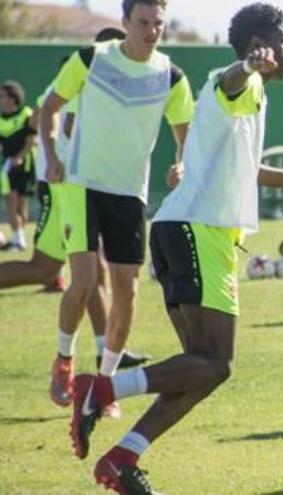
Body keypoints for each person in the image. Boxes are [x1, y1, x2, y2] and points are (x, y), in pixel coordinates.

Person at [68, 4, 283, 492]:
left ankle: (122, 458)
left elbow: (242, 168)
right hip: (196, 232)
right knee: (215, 363)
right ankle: (101, 387)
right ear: (260, 43)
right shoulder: (238, 81)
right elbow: (231, 78)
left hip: (187, 230)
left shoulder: (252, 97)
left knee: (203, 371)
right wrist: (250, 63)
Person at [40, 0, 194, 418]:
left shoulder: (171, 76)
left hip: (130, 192)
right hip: (80, 184)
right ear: (124, 23)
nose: (151, 30)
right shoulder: (91, 58)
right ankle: (64, 358)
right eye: (143, 22)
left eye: (158, 24)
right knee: (85, 280)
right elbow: (49, 108)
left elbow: (187, 136)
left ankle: (104, 385)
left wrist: (181, 162)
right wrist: (52, 155)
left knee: (128, 288)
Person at [0, 80, 37, 251]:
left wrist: (20, 157)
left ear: (13, 98)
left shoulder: (26, 114)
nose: (1, 100)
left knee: (22, 206)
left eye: (3, 96)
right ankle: (18, 240)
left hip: (26, 166)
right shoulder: (1, 120)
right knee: (11, 203)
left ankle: (19, 240)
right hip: (8, 168)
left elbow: (32, 140)